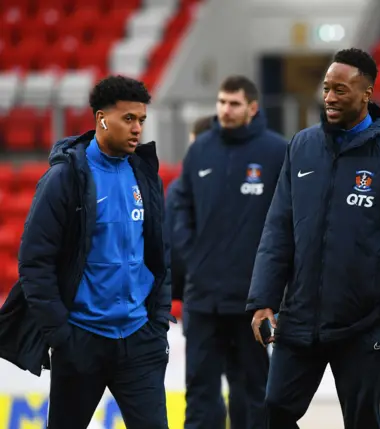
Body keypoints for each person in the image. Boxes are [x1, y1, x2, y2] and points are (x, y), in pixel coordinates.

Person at [247, 48, 380, 429]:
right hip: (298, 318)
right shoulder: (301, 146)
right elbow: (278, 227)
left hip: (364, 326)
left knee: (362, 421)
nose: (329, 97)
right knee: (274, 410)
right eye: (327, 88)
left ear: (367, 93)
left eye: (341, 90)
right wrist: (264, 299)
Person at [0, 75, 175, 428]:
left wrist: (157, 321)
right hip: (82, 339)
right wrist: (62, 337)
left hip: (140, 339)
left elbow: (159, 253)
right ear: (101, 119)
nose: (137, 128)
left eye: (141, 119)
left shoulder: (145, 175)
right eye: (128, 119)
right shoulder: (65, 179)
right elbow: (35, 264)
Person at [172, 75, 287, 429]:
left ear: (252, 108)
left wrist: (271, 287)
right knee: (199, 391)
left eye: (234, 103)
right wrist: (193, 260)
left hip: (251, 301)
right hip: (203, 299)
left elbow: (288, 221)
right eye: (221, 102)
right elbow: (181, 209)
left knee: (254, 390)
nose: (225, 109)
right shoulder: (200, 149)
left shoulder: (276, 151)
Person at [164, 114, 247, 429]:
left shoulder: (182, 190)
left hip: (213, 305)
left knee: (215, 390)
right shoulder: (182, 191)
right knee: (224, 390)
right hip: (222, 303)